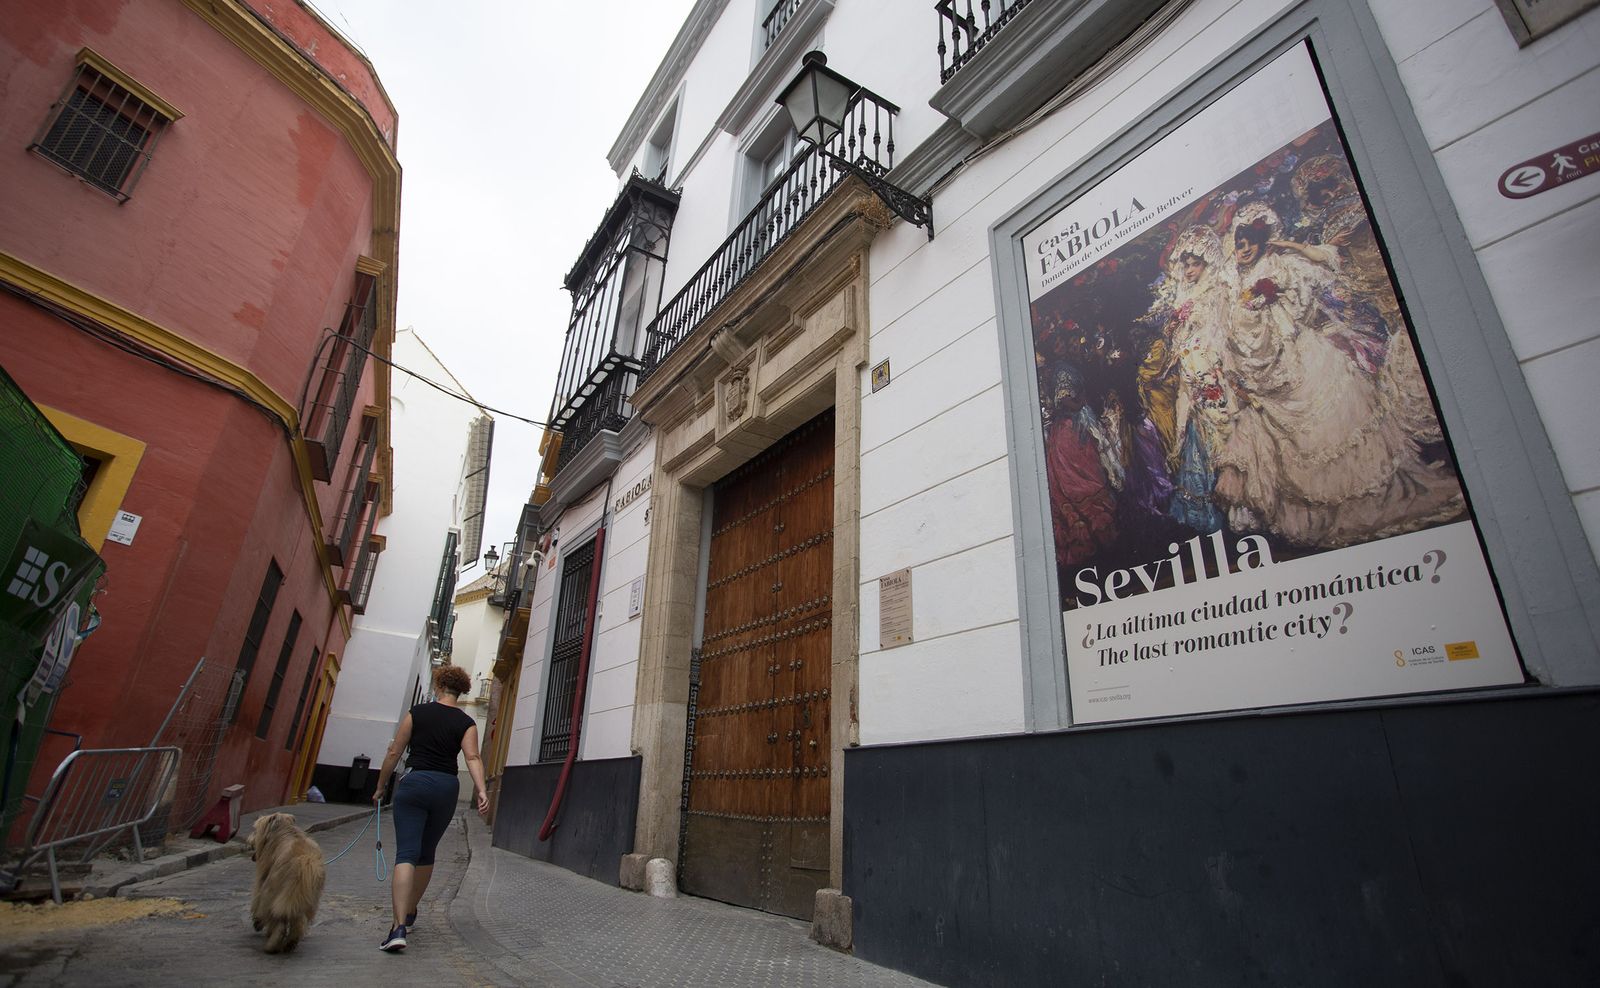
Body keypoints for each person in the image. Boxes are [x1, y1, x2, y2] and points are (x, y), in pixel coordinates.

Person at [1214, 203, 1463, 547]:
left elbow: (1324, 270)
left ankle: (1362, 503)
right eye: (1239, 244)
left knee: (1331, 424)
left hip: (1303, 359)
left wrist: (1289, 264)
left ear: (1262, 241)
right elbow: (1231, 334)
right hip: (1264, 370)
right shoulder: (1231, 282)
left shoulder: (1283, 267)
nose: (1244, 251)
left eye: (1250, 243)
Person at [372, 664, 489, 953]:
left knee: (406, 853)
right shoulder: (467, 723)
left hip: (415, 783)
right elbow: (472, 757)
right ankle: (410, 912)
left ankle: (398, 926)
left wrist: (379, 786)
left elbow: (394, 751)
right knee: (426, 852)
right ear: (461, 692)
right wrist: (482, 789)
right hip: (446, 787)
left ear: (438, 685)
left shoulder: (417, 713)